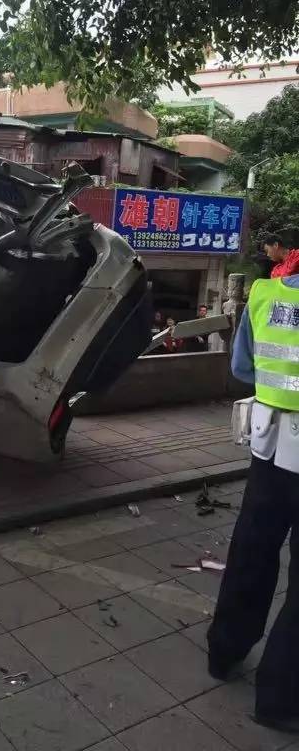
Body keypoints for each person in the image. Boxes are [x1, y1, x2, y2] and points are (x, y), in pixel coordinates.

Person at [207, 270, 299, 732]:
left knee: (251, 553)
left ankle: (224, 653)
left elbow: (243, 369)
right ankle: (281, 701)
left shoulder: (265, 296)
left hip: (270, 449)